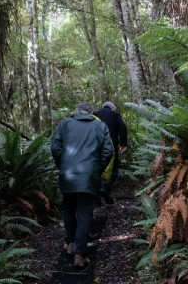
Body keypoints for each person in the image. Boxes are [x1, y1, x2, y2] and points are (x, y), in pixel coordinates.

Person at [50, 102, 114, 267]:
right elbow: (108, 150)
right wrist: (96, 170)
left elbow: (55, 146)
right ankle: (79, 254)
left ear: (76, 112)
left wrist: (62, 165)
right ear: (91, 112)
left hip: (67, 175)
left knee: (69, 210)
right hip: (88, 177)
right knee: (85, 214)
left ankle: (70, 244)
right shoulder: (100, 126)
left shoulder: (64, 124)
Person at [93, 101, 128, 204]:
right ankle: (105, 187)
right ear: (112, 108)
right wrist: (123, 144)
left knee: (96, 169)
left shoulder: (95, 114)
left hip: (95, 146)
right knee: (113, 169)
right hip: (110, 145)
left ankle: (97, 198)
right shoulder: (115, 114)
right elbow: (122, 126)